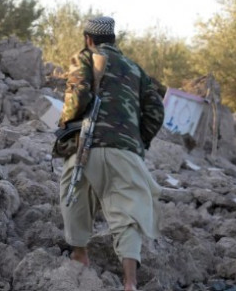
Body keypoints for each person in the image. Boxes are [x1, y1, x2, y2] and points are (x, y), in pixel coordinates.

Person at [58, 16, 164, 291]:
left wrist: (64, 123)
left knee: (74, 193)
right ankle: (130, 282)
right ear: (114, 40)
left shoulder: (85, 57)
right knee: (127, 213)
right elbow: (156, 111)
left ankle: (80, 254)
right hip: (126, 153)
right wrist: (137, 142)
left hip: (87, 145)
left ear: (88, 39)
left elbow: (78, 96)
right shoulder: (136, 69)